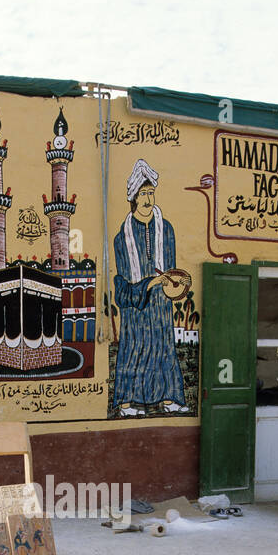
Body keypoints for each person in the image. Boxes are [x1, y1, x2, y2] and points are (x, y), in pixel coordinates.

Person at [112, 158, 188, 417]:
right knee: (133, 349)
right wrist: (150, 283)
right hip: (136, 306)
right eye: (143, 193)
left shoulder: (166, 229)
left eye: (151, 192)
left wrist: (173, 284)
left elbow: (172, 267)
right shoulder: (122, 237)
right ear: (133, 197)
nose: (148, 198)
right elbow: (122, 283)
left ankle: (169, 397)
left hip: (160, 306)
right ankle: (127, 403)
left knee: (163, 349)